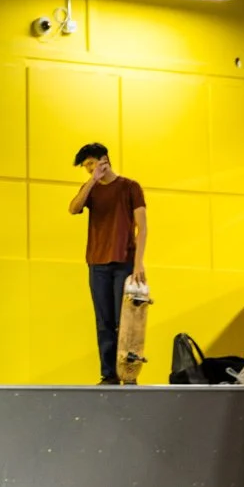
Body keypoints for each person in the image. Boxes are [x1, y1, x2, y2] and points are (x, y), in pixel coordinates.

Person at [68, 142, 148, 385]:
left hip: (124, 262)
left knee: (125, 321)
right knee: (103, 321)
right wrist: (92, 181)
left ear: (104, 160)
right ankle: (109, 374)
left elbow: (142, 227)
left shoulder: (130, 187)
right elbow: (73, 208)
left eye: (92, 163)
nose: (89, 169)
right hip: (97, 263)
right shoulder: (90, 188)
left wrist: (138, 263)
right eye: (86, 167)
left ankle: (129, 374)